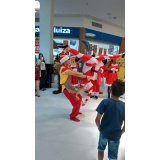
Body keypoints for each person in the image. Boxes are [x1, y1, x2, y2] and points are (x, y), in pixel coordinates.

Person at [95, 80, 125, 160]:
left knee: (101, 149)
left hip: (104, 132)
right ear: (122, 93)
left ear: (110, 90)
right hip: (116, 135)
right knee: (113, 156)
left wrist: (100, 128)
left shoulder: (105, 102)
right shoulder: (124, 106)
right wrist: (121, 132)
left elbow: (97, 119)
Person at [59, 51, 91, 122]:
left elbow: (76, 73)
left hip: (70, 87)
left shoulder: (67, 67)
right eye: (68, 60)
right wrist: (85, 76)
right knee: (77, 100)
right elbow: (74, 73)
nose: (70, 60)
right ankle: (72, 116)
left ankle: (76, 110)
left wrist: (83, 75)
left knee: (79, 97)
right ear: (64, 61)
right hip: (66, 88)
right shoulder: (63, 69)